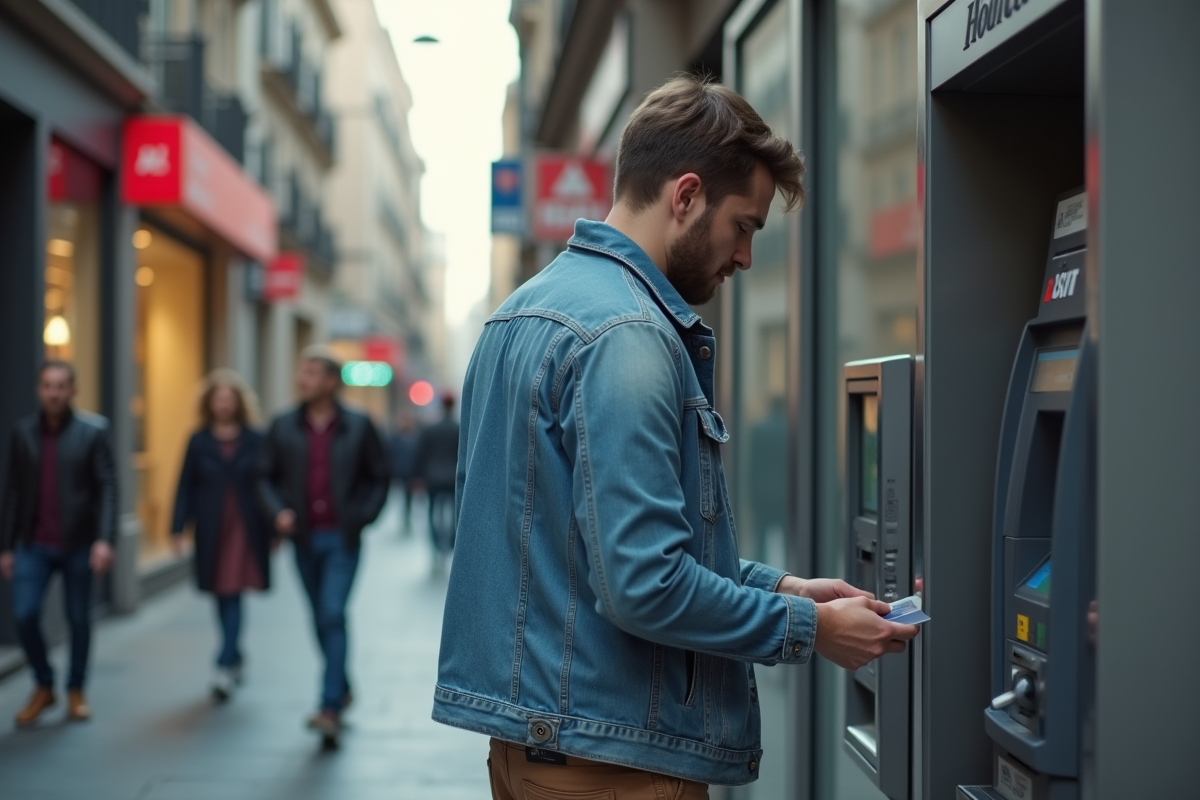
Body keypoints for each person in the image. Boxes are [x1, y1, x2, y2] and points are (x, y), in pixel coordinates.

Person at [433, 75, 920, 798]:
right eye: (745, 226)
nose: (746, 257)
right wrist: (809, 629)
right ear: (685, 196)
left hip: (545, 745)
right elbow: (643, 585)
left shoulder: (520, 312)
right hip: (612, 763)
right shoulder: (627, 338)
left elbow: (583, 547)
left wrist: (782, 587)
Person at [257, 346, 390, 743]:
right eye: (301, 373)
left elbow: (380, 476)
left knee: (331, 613)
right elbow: (263, 475)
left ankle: (329, 705)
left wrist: (363, 516)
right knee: (320, 616)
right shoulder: (282, 426)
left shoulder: (359, 424)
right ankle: (343, 686)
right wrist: (277, 512)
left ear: (332, 382)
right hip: (303, 537)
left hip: (342, 537)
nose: (302, 380)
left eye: (311, 374)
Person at [0, 361, 117, 727]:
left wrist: (104, 539)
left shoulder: (92, 432)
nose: (54, 392)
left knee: (79, 618)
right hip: (34, 543)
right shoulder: (23, 434)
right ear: (39, 389)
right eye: (48, 386)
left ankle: (76, 690)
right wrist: (7, 546)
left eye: (61, 386)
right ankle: (44, 684)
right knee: (24, 613)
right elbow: (14, 491)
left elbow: (108, 488)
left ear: (73, 391)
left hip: (79, 543)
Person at [170, 369, 272, 701]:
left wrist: (274, 528)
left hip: (245, 525)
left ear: (239, 403)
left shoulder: (256, 439)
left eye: (230, 398)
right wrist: (176, 528)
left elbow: (267, 483)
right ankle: (235, 654)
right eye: (218, 398)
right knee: (221, 591)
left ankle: (223, 664)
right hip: (212, 526)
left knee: (233, 590)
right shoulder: (198, 440)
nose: (224, 404)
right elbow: (185, 486)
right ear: (210, 403)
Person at [414, 393, 459, 571]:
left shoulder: (429, 429)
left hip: (432, 478)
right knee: (455, 515)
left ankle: (436, 546)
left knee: (433, 514)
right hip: (452, 479)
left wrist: (417, 477)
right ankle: (449, 544)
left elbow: (420, 454)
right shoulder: (459, 428)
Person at [388, 409, 421, 537]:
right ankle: (405, 519)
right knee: (403, 498)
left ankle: (408, 519)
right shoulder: (396, 438)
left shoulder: (416, 437)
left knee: (409, 498)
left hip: (411, 472)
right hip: (400, 472)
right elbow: (391, 454)